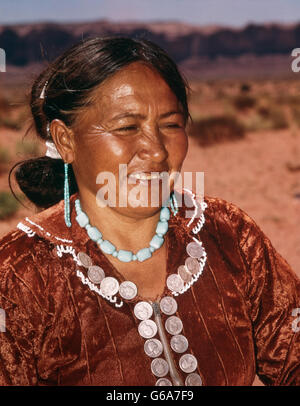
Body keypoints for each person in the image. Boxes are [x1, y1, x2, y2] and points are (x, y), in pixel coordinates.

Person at [0, 36, 299, 386]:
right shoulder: (20, 274)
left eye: (171, 124)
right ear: (66, 141)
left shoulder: (228, 233)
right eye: (127, 127)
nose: (156, 150)